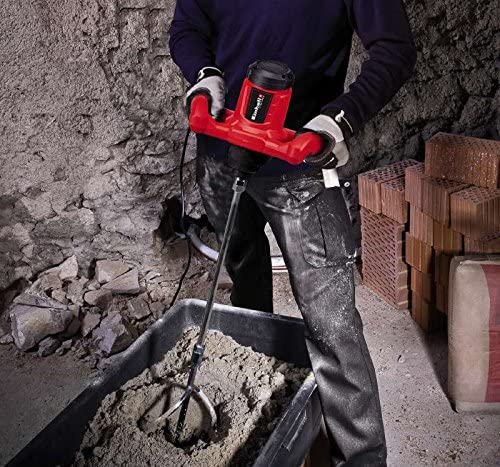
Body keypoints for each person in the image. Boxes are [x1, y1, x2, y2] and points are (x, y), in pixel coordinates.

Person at [169, 1, 416, 465]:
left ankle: (361, 459)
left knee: (333, 325)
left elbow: (395, 49)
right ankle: (256, 402)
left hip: (300, 165)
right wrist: (203, 74)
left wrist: (339, 118)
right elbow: (188, 24)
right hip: (219, 156)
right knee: (245, 279)